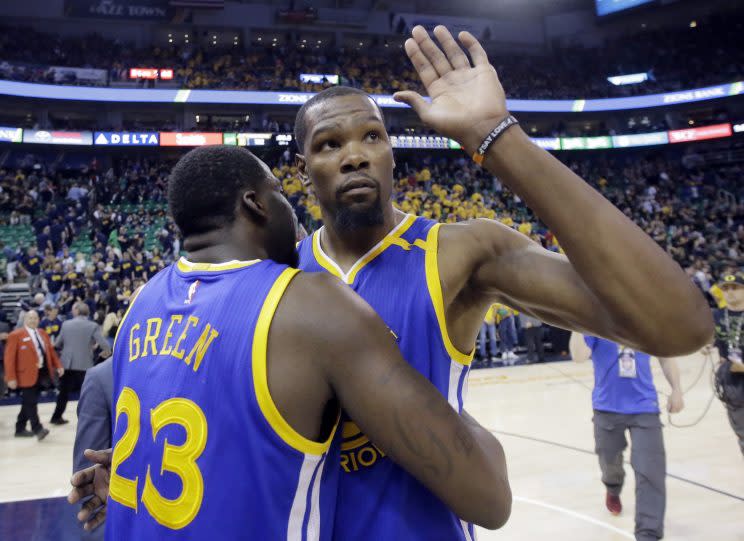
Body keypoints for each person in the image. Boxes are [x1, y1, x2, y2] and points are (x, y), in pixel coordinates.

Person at [291, 25, 711, 541]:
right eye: (329, 144)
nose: (354, 155)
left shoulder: (461, 251)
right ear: (303, 168)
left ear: (392, 153)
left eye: (371, 136)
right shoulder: (281, 272)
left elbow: (679, 327)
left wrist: (496, 133)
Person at [68, 145, 511, 537]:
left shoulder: (141, 303)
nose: (293, 211)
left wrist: (135, 466)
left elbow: (222, 436)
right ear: (256, 203)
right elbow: (489, 500)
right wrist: (439, 386)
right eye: (281, 193)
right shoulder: (309, 303)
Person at [569, 333, 684, 541]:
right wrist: (576, 324)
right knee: (609, 460)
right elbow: (578, 356)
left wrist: (677, 389)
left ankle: (648, 533)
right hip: (606, 408)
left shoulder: (645, 317)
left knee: (651, 471)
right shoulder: (596, 320)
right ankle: (613, 487)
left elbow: (666, 357)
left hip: (645, 407)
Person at [3, 310, 63, 440]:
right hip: (24, 375)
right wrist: (11, 378)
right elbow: (9, 359)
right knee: (31, 402)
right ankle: (37, 428)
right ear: (25, 320)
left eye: (35, 318)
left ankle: (20, 428)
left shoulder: (42, 333)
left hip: (41, 374)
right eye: (30, 318)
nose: (33, 320)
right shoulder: (16, 335)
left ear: (39, 319)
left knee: (27, 401)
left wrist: (58, 366)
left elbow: (51, 352)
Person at [51, 302, 112, 425]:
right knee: (88, 394)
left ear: (76, 311)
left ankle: (56, 417)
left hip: (67, 363)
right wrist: (106, 352)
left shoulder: (66, 324)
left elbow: (57, 344)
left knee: (63, 393)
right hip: (85, 365)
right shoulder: (92, 325)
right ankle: (89, 419)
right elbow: (104, 344)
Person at [711, 273, 744, 455]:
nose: (730, 293)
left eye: (735, 288)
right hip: (732, 381)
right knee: (741, 432)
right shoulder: (716, 316)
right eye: (726, 289)